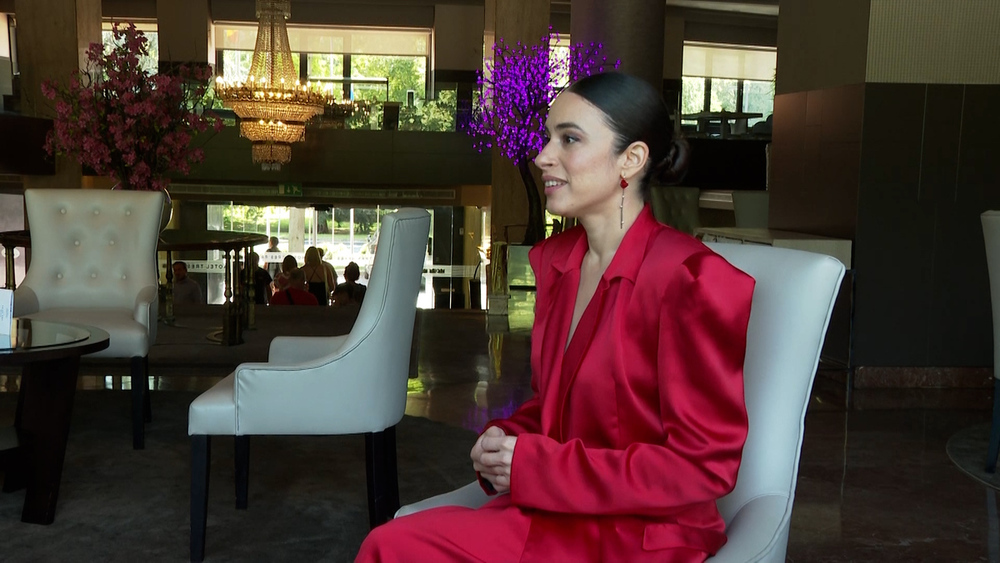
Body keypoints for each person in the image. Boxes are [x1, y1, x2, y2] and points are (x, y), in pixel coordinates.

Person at [356, 72, 755, 562]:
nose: (544, 155)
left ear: (631, 159)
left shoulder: (692, 280)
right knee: (390, 545)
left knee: (392, 549)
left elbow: (703, 467)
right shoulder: (560, 263)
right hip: (561, 511)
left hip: (644, 534)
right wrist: (505, 440)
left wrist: (536, 467)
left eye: (569, 139)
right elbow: (558, 409)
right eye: (549, 137)